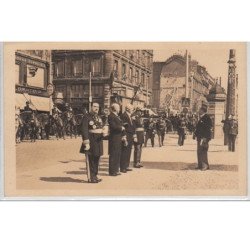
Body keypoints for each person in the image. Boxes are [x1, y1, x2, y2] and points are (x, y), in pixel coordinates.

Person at [80, 102, 104, 183]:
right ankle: (91, 177)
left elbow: (101, 128)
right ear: (91, 107)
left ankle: (95, 175)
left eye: (98, 107)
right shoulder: (87, 117)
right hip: (91, 140)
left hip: (98, 141)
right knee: (91, 159)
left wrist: (104, 132)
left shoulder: (99, 117)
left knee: (97, 158)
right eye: (94, 106)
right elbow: (84, 129)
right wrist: (86, 141)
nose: (96, 108)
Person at [108, 103, 126, 176]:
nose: (119, 109)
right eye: (118, 108)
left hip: (118, 137)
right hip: (114, 137)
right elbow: (113, 126)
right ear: (115, 108)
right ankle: (112, 171)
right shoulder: (111, 116)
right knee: (113, 154)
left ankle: (116, 169)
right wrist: (121, 128)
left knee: (118, 153)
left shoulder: (117, 116)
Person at [193, 105, 212, 171]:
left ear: (203, 111)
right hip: (200, 137)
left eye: (199, 110)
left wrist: (205, 137)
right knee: (199, 151)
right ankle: (200, 165)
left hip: (204, 138)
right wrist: (195, 134)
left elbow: (207, 129)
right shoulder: (201, 118)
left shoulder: (206, 118)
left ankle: (205, 166)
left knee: (203, 151)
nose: (198, 111)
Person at [120, 104, 136, 173]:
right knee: (125, 151)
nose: (133, 110)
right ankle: (123, 167)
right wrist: (124, 136)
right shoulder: (124, 115)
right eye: (132, 108)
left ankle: (126, 166)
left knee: (128, 150)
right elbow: (124, 127)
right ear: (128, 109)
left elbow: (132, 126)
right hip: (126, 135)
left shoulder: (130, 116)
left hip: (130, 135)